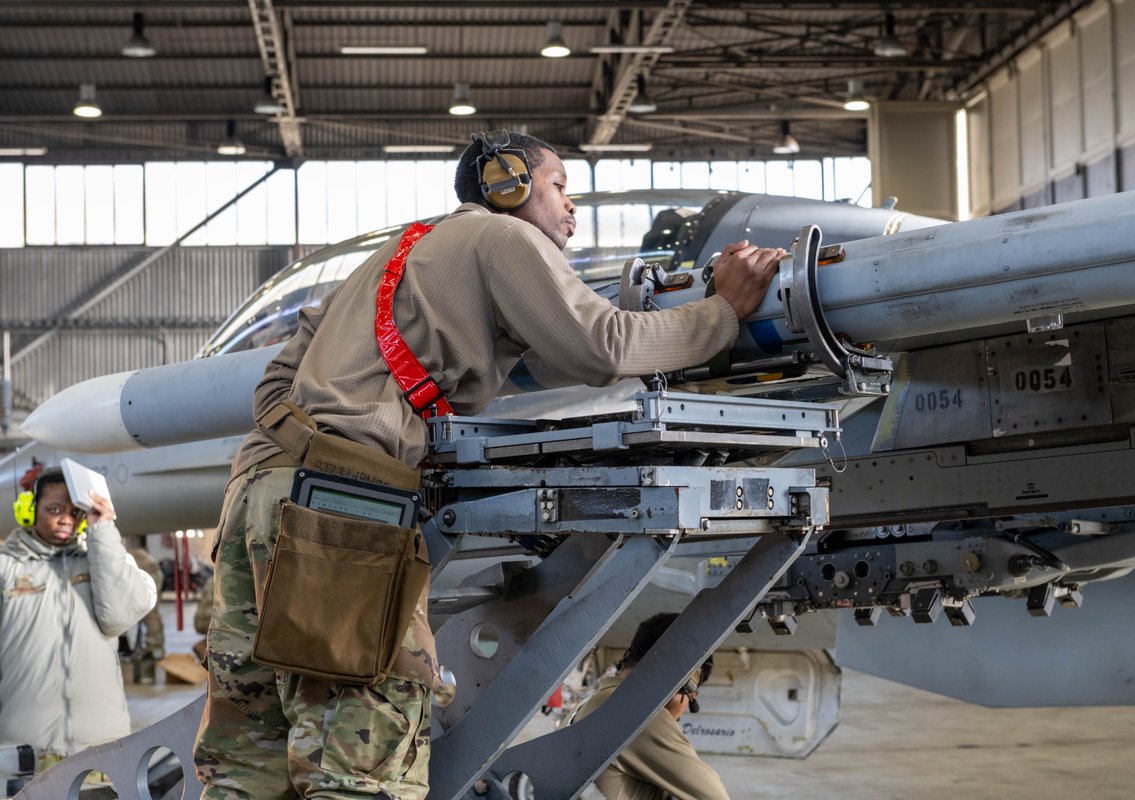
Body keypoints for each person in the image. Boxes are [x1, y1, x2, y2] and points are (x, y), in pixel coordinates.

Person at [193, 129, 784, 799]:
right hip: (344, 511)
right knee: (362, 766)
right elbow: (602, 345)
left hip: (259, 492)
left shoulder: (401, 251)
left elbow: (276, 379)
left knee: (249, 761)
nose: (571, 210)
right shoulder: (503, 238)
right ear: (509, 185)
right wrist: (722, 312)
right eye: (560, 187)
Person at [0, 468, 158, 772]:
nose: (65, 519)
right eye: (54, 510)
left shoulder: (104, 560)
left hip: (101, 750)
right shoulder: (6, 568)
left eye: (75, 512)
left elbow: (118, 617)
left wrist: (103, 529)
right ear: (29, 510)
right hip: (23, 753)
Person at [572, 613, 729, 800]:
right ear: (686, 683)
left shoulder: (591, 702)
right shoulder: (636, 712)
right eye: (692, 696)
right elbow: (713, 796)